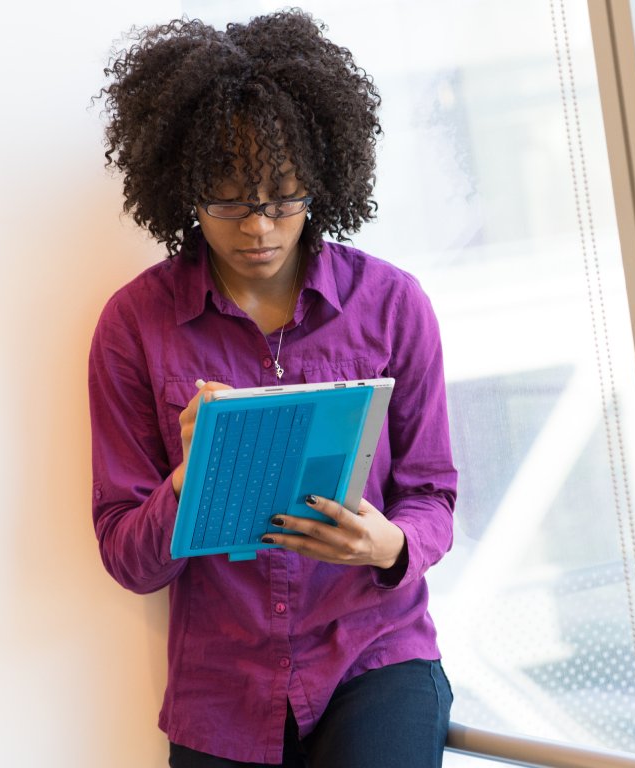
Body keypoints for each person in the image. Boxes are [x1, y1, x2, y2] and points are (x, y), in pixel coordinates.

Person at [89, 11, 457, 767]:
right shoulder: (135, 325)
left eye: (284, 197)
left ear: (322, 182)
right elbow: (128, 556)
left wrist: (389, 544)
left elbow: (434, 493)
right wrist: (191, 482)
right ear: (184, 191)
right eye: (228, 201)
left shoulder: (393, 305)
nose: (258, 227)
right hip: (222, 694)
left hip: (375, 658)